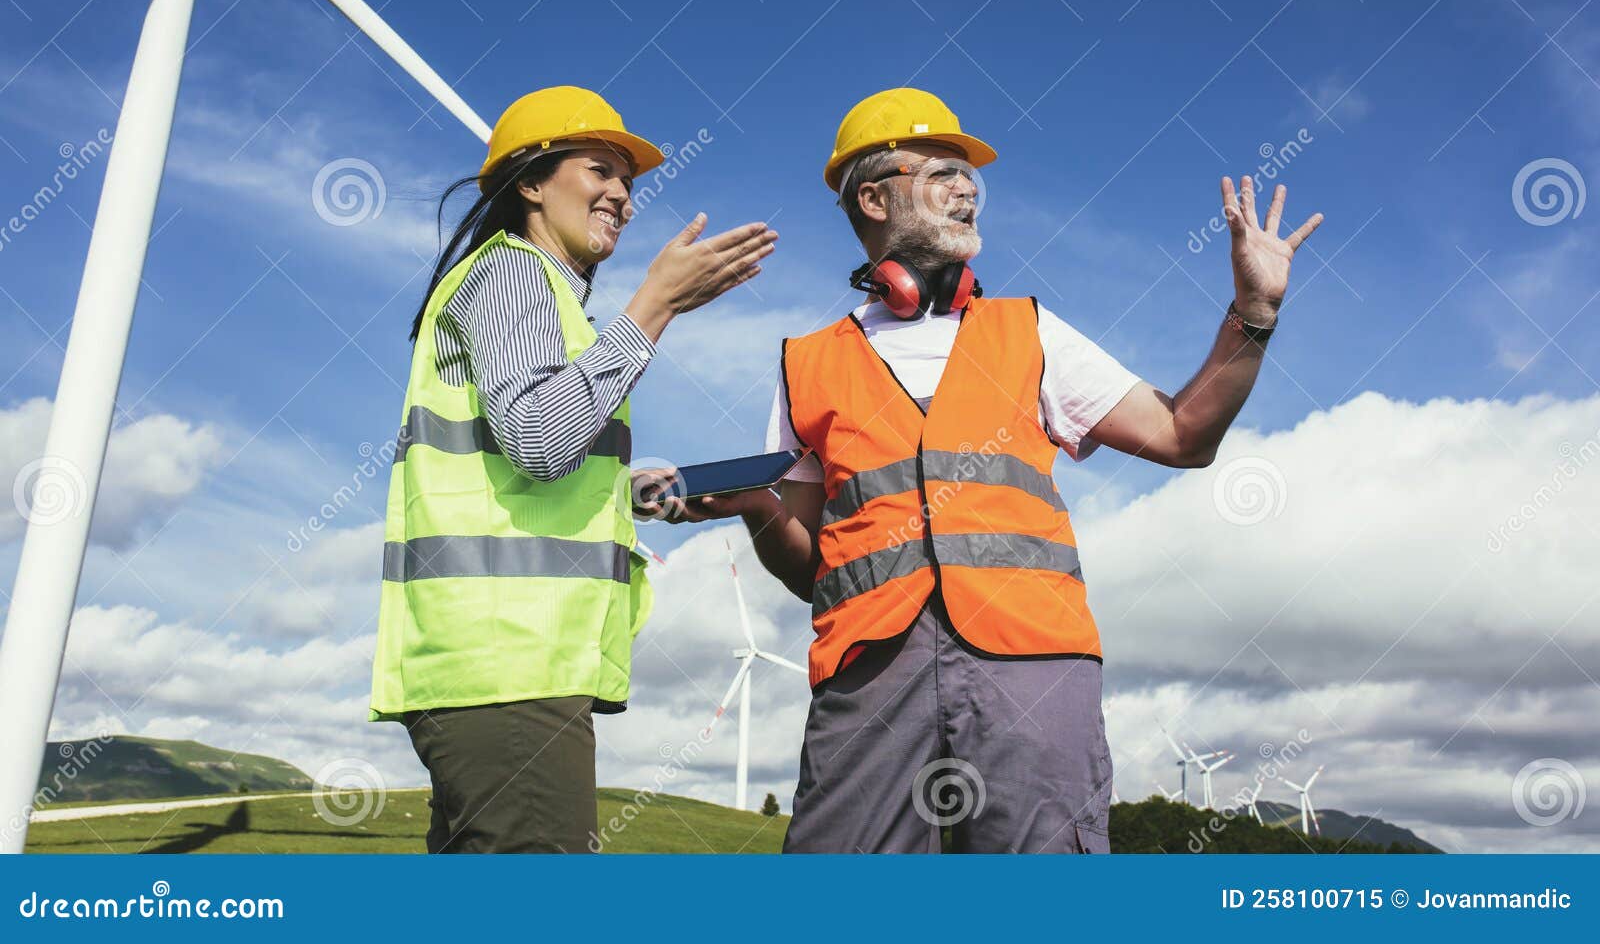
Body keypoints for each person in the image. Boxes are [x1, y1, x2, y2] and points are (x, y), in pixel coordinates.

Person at [659, 86, 1321, 852]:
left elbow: (1184, 434)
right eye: (940, 169)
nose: (968, 186)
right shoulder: (806, 364)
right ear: (872, 197)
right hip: (868, 681)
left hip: (1034, 674)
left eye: (970, 173)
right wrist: (757, 507)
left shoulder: (1031, 332)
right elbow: (814, 568)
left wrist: (1253, 312)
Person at [368, 85, 777, 853]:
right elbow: (539, 438)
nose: (622, 194)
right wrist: (654, 306)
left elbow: (521, 455)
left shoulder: (538, 291)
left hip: (499, 664)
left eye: (629, 181)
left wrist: (630, 494)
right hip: (507, 664)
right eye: (599, 169)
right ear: (529, 181)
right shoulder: (516, 272)